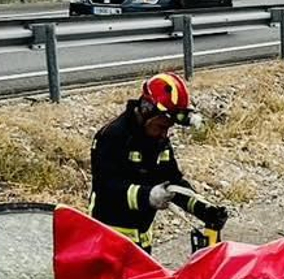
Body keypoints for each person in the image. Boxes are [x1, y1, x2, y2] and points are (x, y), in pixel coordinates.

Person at [88, 73, 225, 251]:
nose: (164, 134)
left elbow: (173, 182)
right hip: (109, 242)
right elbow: (107, 188)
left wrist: (203, 209)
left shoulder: (158, 141)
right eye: (161, 127)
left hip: (142, 241)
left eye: (167, 128)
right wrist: (148, 196)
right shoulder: (113, 136)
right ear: (146, 111)